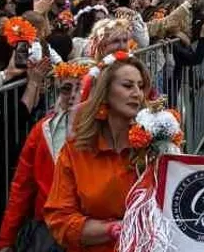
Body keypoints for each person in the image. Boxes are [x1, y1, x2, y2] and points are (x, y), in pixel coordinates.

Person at [46, 55, 152, 252]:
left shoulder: (155, 147)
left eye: (140, 86)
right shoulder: (76, 149)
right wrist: (113, 230)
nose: (137, 93)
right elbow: (60, 219)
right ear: (105, 93)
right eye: (128, 86)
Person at [0, 58, 92, 252]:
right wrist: (5, 239)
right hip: (48, 231)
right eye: (66, 89)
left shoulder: (109, 130)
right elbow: (22, 186)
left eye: (80, 87)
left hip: (91, 230)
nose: (73, 95)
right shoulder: (42, 131)